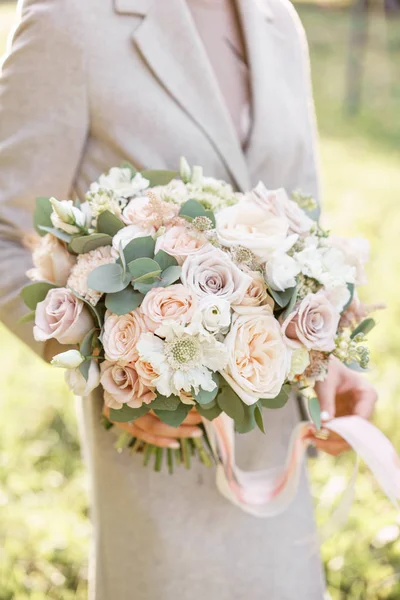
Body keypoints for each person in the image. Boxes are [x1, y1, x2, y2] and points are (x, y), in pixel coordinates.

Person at [0, 0, 377, 598]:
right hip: (155, 452)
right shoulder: (69, 18)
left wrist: (335, 356)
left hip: (277, 453)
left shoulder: (278, 19)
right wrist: (110, 373)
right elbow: (5, 232)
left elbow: (308, 223)